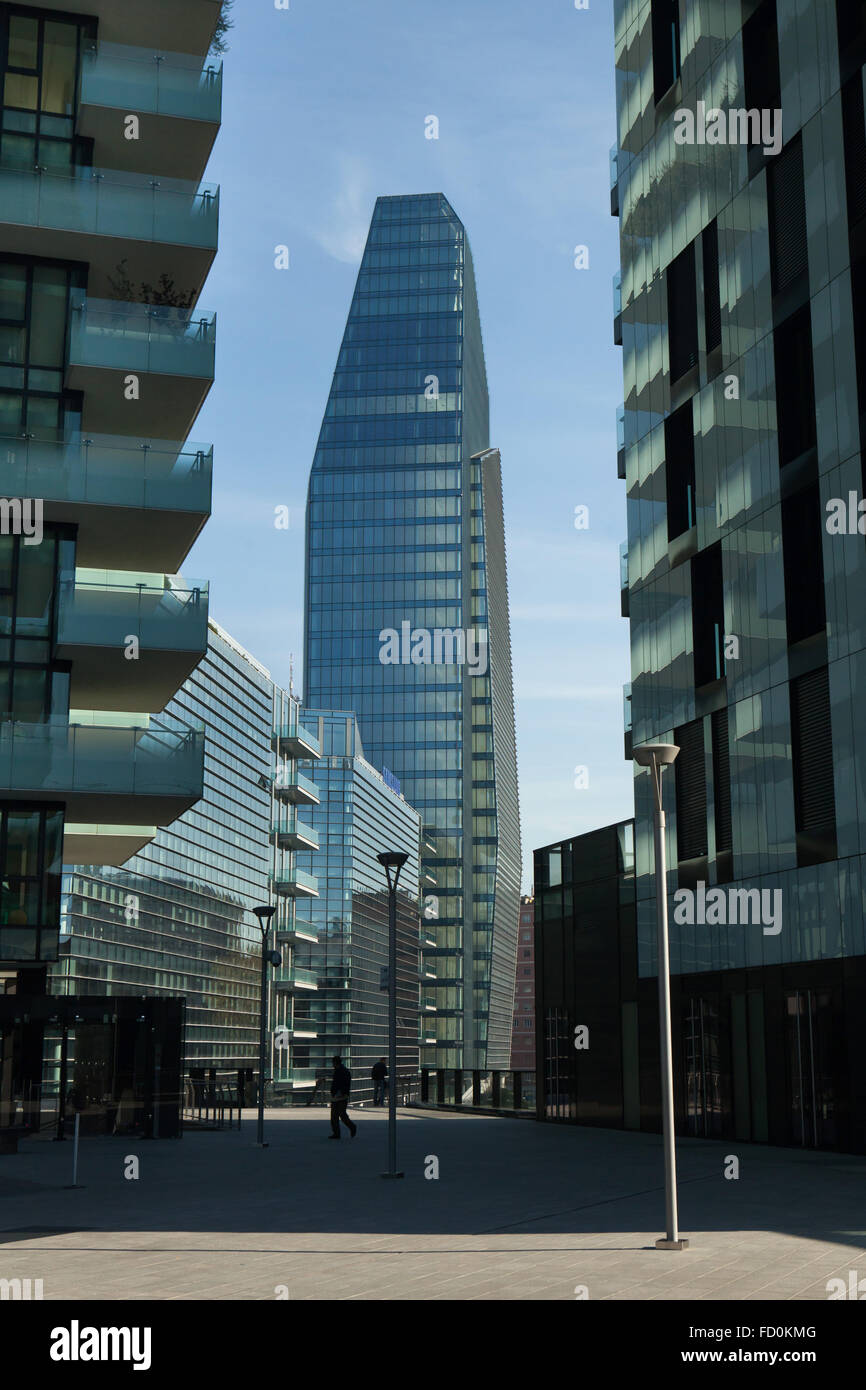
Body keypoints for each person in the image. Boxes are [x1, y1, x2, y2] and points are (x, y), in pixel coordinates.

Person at [329, 1055, 357, 1139]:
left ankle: (348, 1129)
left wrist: (340, 1092)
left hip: (340, 1096)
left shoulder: (341, 1071)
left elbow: (340, 1083)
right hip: (340, 1095)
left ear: (335, 1063)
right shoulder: (342, 1070)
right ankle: (340, 1132)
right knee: (339, 1115)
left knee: (338, 1115)